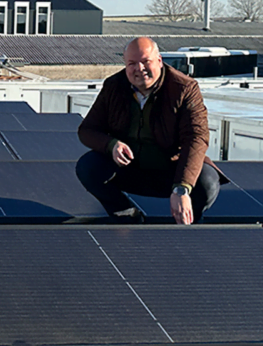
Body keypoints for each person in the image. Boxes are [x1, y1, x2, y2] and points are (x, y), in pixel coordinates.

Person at [76, 37, 226, 224]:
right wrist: (111, 145)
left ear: (159, 61)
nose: (139, 69)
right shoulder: (113, 86)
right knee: (88, 166)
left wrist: (182, 187)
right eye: (132, 63)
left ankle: (187, 222)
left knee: (207, 181)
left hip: (171, 171)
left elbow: (197, 138)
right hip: (130, 169)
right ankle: (127, 216)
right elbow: (87, 130)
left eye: (145, 62)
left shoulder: (184, 88)